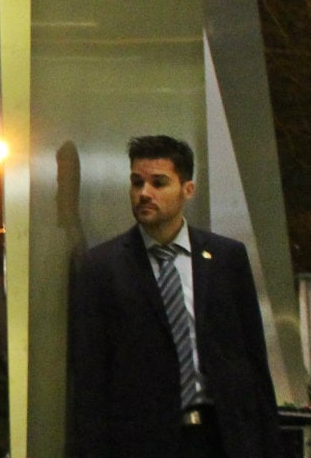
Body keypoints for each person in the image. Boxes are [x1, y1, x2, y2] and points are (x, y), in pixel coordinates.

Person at [69, 135, 282, 458]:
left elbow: (252, 358)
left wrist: (269, 443)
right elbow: (90, 377)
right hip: (144, 441)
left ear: (187, 190)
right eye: (137, 182)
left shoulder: (226, 258)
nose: (144, 194)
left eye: (159, 183)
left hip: (223, 436)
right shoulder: (102, 268)